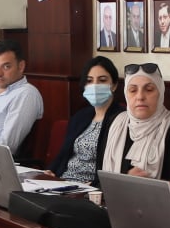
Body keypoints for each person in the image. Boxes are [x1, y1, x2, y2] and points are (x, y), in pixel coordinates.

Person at [100, 64, 170, 181]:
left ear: (160, 93)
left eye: (149, 90)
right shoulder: (114, 123)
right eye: (133, 90)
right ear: (126, 94)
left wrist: (135, 185)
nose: (140, 96)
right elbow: (98, 175)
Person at [47, 56, 125, 185]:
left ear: (114, 85)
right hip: (63, 182)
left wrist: (96, 185)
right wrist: (50, 172)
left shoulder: (121, 120)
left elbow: (116, 167)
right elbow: (63, 154)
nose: (95, 85)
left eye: (102, 80)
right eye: (89, 81)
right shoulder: (81, 116)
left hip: (91, 187)